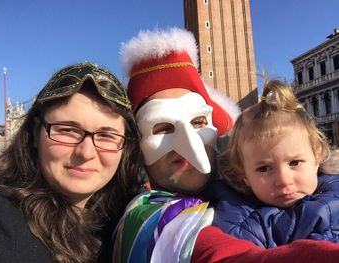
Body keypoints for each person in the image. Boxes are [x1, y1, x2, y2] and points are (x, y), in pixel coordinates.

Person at [112, 27, 339, 263]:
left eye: (199, 122)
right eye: (163, 128)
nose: (188, 144)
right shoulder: (147, 217)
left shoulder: (248, 190)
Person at [0, 62, 142, 263]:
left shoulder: (125, 227)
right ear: (35, 133)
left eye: (106, 135)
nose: (86, 152)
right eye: (68, 130)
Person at [210, 78, 339, 247]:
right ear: (244, 174)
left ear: (317, 157)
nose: (284, 180)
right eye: (264, 168)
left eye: (295, 162)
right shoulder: (239, 223)